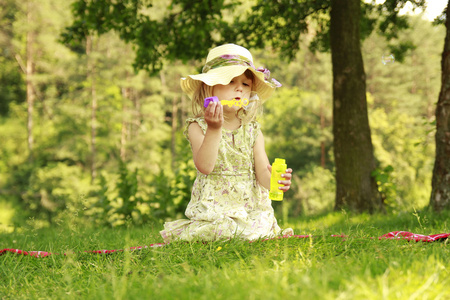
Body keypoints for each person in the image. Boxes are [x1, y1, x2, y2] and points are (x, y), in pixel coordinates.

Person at [160, 44, 293, 242]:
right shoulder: (198, 127)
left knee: (258, 226)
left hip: (250, 210)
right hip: (216, 211)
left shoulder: (253, 131)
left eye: (246, 84)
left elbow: (262, 174)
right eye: (231, 81)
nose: (239, 88)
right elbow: (205, 166)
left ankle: (250, 232)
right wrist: (214, 129)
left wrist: (275, 180)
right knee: (222, 230)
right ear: (209, 87)